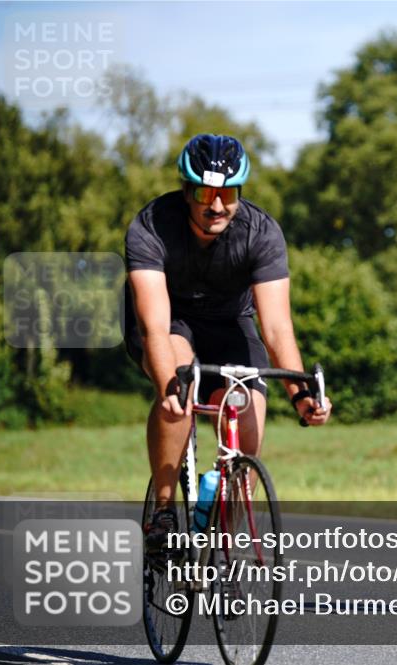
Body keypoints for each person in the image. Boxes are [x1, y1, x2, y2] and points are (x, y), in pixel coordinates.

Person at [125, 134, 332, 546]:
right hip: (170, 319)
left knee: (250, 417)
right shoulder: (152, 225)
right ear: (187, 191)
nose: (217, 206)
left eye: (228, 194)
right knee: (180, 387)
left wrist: (301, 395)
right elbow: (154, 326)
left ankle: (224, 546)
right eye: (205, 193)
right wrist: (168, 388)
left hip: (230, 322)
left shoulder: (260, 232)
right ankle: (163, 513)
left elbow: (277, 328)